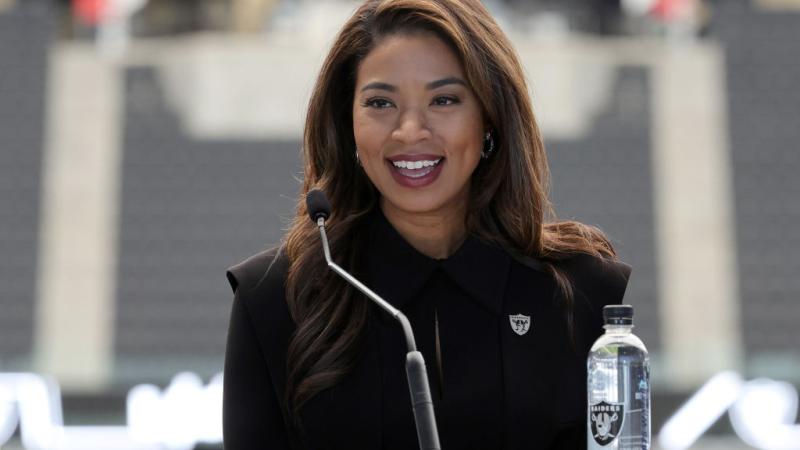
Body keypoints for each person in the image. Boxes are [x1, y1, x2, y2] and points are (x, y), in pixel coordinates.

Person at [222, 0, 632, 449]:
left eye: (444, 100)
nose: (410, 130)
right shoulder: (273, 300)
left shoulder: (583, 295)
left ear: (490, 118)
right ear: (348, 124)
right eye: (380, 103)